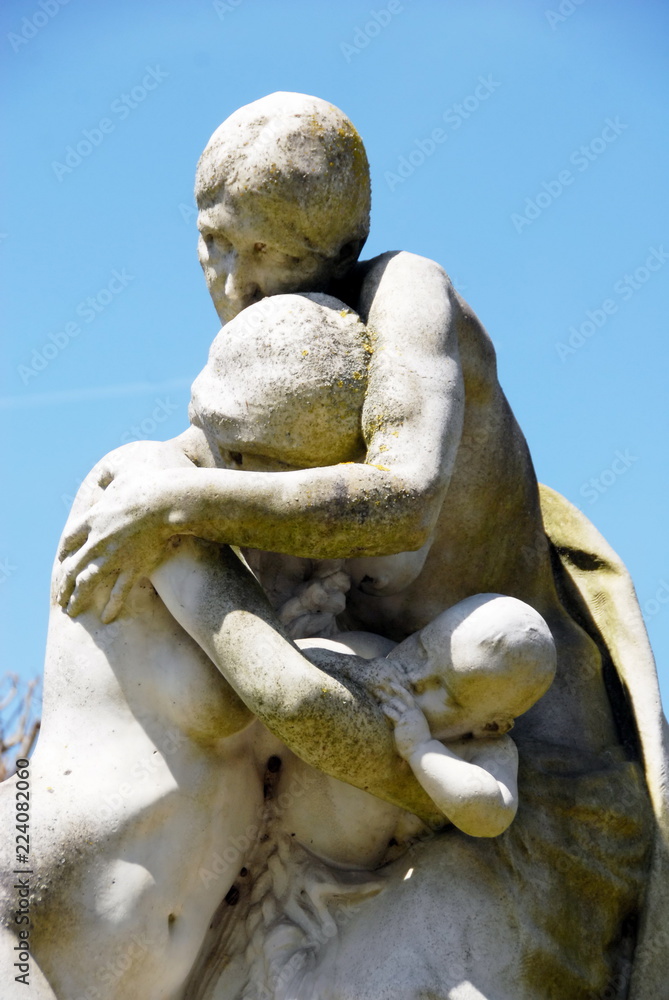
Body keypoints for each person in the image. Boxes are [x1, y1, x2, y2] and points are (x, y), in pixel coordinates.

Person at [48, 92, 666, 998]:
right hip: (343, 785)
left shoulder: (408, 301)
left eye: (268, 253)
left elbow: (404, 503)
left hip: (520, 788)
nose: (233, 279)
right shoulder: (267, 369)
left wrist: (174, 501)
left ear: (336, 249)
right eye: (215, 241)